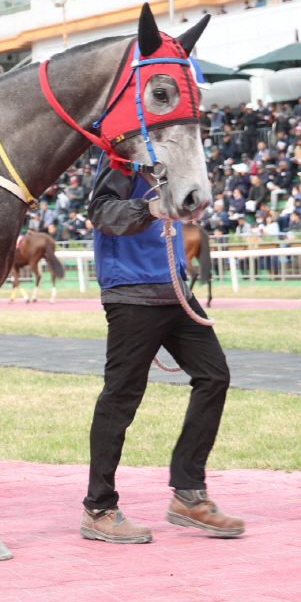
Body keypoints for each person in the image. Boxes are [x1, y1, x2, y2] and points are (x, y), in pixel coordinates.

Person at [80, 158, 243, 544]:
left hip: (174, 291)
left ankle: (188, 494)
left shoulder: (170, 164)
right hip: (132, 293)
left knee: (214, 376)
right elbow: (101, 212)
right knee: (121, 398)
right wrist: (152, 207)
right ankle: (98, 508)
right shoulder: (121, 161)